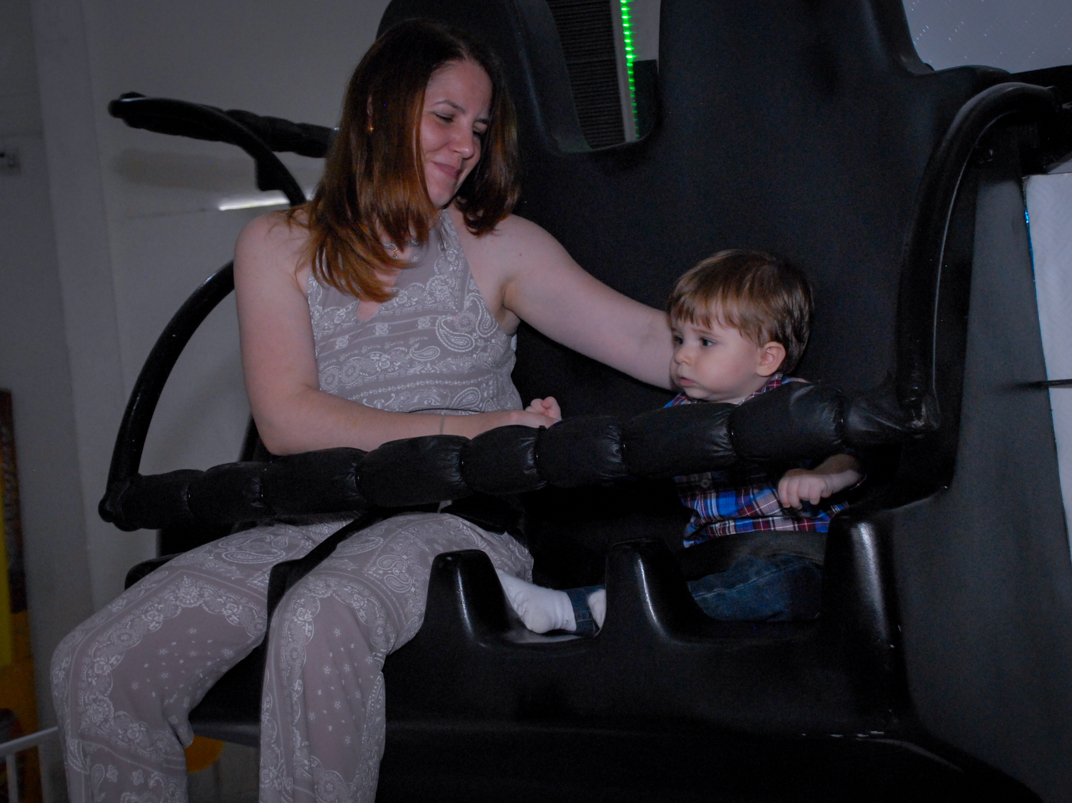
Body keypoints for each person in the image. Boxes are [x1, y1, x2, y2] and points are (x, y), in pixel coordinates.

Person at [51, 19, 673, 803]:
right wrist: (468, 428)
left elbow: (649, 338)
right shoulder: (277, 246)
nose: (467, 145)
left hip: (453, 521)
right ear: (379, 111)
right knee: (97, 664)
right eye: (445, 118)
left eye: (478, 128)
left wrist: (759, 354)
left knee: (320, 615)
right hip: (311, 519)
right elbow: (289, 419)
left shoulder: (498, 246)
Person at [499, 250, 862, 634]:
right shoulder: (677, 414)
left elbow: (854, 454)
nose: (682, 356)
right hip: (712, 558)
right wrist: (560, 435)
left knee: (779, 585)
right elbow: (621, 451)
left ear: (766, 358)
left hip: (797, 555)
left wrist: (823, 478)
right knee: (654, 574)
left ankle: (633, 608)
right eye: (679, 338)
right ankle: (563, 607)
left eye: (705, 342)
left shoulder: (791, 402)